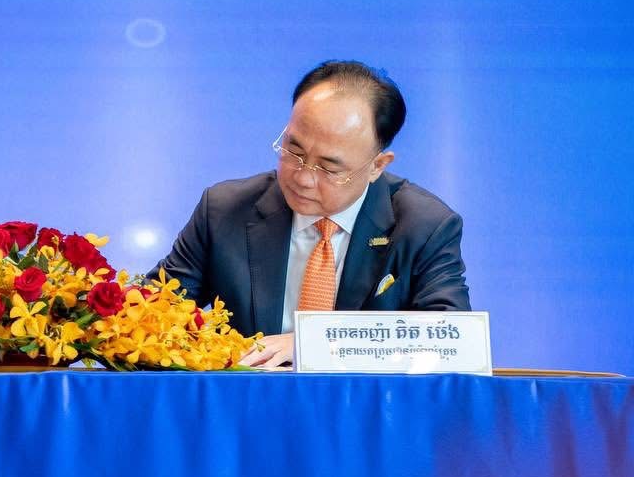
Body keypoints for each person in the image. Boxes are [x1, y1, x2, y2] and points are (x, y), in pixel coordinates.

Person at [151, 61, 469, 368]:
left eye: (329, 168)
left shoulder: (424, 226)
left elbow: (450, 341)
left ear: (377, 166)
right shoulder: (225, 210)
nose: (302, 178)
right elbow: (153, 313)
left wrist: (314, 343)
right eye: (294, 151)